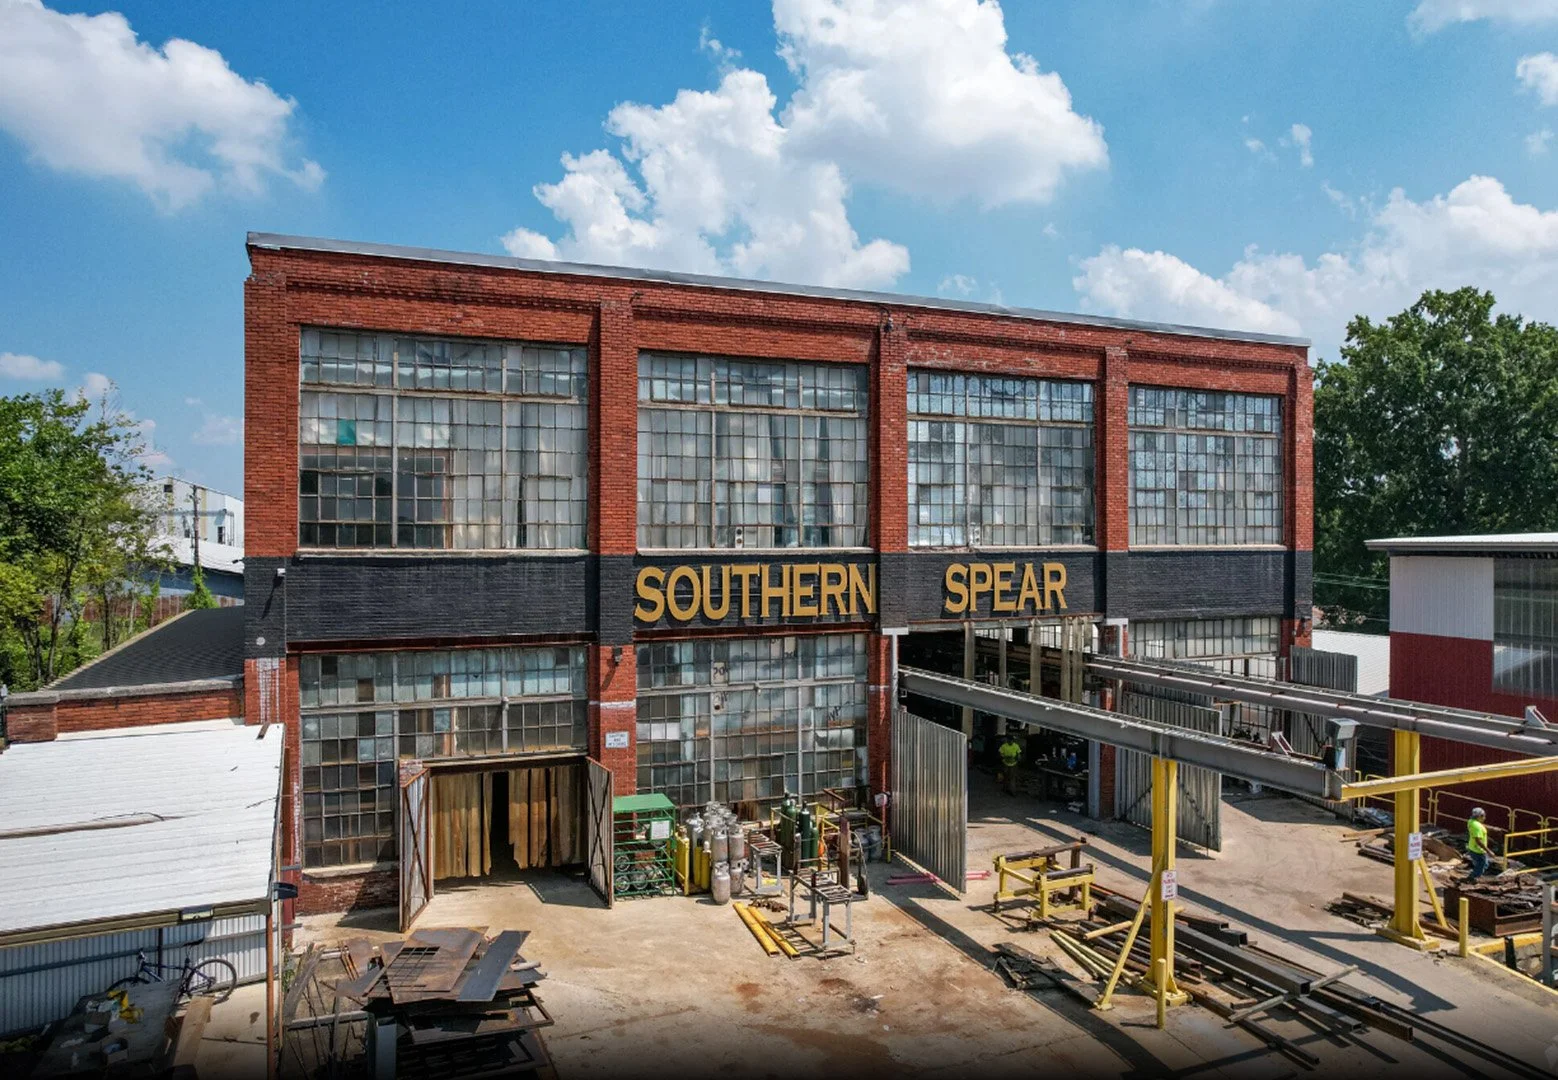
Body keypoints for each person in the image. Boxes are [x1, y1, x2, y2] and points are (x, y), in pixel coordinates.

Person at [1465, 807, 1491, 881]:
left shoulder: (1470, 821)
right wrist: (1489, 851)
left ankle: (1475, 875)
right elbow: (1478, 841)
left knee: (1484, 864)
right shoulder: (1477, 827)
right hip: (1478, 850)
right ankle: (1474, 878)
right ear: (1479, 816)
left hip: (1472, 847)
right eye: (1483, 816)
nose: (1485, 818)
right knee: (1481, 865)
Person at [997, 729, 1023, 796]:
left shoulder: (1016, 746)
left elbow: (1019, 754)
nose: (1011, 741)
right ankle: (1005, 788)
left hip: (1013, 764)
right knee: (1006, 776)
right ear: (1007, 740)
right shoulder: (1004, 746)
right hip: (1005, 763)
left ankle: (1012, 791)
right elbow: (1000, 754)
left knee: (1012, 777)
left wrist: (1018, 758)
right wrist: (1004, 757)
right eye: (1009, 740)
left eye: (1012, 740)